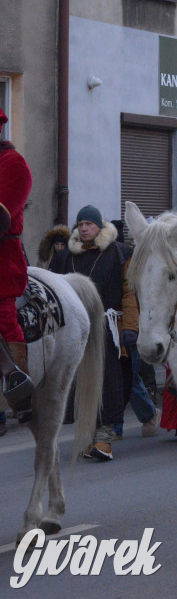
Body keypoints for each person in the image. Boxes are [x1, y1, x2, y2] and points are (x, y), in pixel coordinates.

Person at [51, 205, 139, 460]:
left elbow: (129, 293)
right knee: (79, 384)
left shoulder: (118, 252)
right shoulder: (66, 257)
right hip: (75, 329)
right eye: (80, 225)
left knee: (109, 382)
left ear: (99, 226)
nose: (84, 228)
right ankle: (89, 436)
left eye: (88, 224)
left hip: (107, 328)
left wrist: (130, 328)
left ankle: (105, 439)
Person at [0, 109, 34, 421]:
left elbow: (1, 217)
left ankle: (18, 387)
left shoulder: (14, 164)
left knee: (4, 318)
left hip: (2, 259)